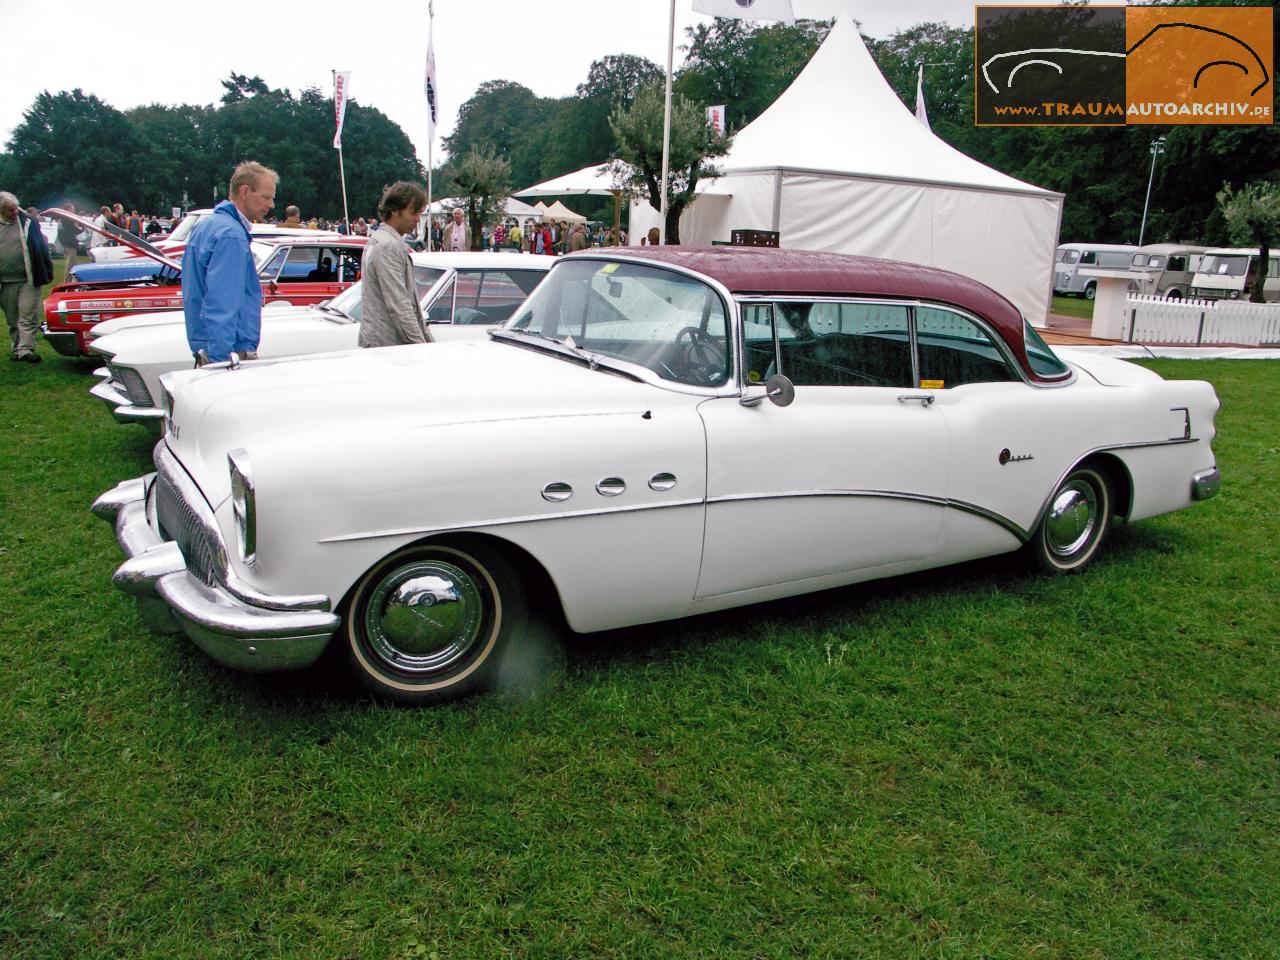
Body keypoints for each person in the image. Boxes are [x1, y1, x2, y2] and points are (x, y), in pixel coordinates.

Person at [182, 160, 278, 364]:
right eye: (266, 197)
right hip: (227, 350)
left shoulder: (207, 226)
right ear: (245, 192)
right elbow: (222, 302)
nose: (271, 205)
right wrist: (222, 359)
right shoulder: (230, 235)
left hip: (209, 345)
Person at [359, 181, 429, 348]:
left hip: (381, 343)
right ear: (395, 211)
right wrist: (422, 347)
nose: (418, 219)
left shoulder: (378, 239)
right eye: (413, 213)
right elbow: (400, 305)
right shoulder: (388, 245)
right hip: (388, 347)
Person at [0, 191, 54, 363]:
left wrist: (47, 269)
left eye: (16, 209)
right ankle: (17, 348)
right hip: (5, 281)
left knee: (28, 314)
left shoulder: (28, 222)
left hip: (28, 278)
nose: (15, 213)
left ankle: (26, 350)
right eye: (10, 210)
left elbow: (42, 247)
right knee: (12, 318)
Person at [57, 202, 79, 272]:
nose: (74, 211)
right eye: (73, 209)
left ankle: (69, 280)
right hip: (70, 244)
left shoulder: (62, 219)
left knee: (71, 263)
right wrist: (80, 227)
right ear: (68, 209)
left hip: (66, 244)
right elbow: (75, 230)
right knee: (71, 264)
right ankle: (67, 281)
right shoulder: (66, 219)